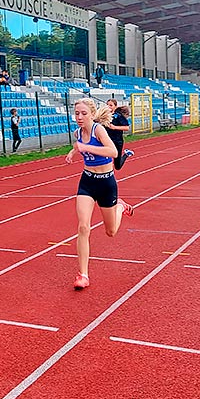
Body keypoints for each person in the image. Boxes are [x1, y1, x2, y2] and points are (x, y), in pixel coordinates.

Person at [65, 98, 134, 290]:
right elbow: (78, 145)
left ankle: (120, 206)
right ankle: (83, 275)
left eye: (83, 113)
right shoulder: (77, 132)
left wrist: (85, 148)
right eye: (77, 113)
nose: (79, 117)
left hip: (106, 183)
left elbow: (112, 152)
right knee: (83, 227)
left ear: (92, 114)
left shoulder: (98, 130)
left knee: (110, 232)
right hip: (87, 182)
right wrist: (73, 152)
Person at [106, 98, 134, 170]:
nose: (108, 107)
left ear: (115, 106)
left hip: (117, 141)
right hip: (107, 141)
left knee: (117, 166)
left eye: (111, 105)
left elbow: (127, 128)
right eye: (107, 105)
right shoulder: (105, 116)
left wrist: (115, 127)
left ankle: (126, 154)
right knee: (105, 159)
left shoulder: (118, 116)